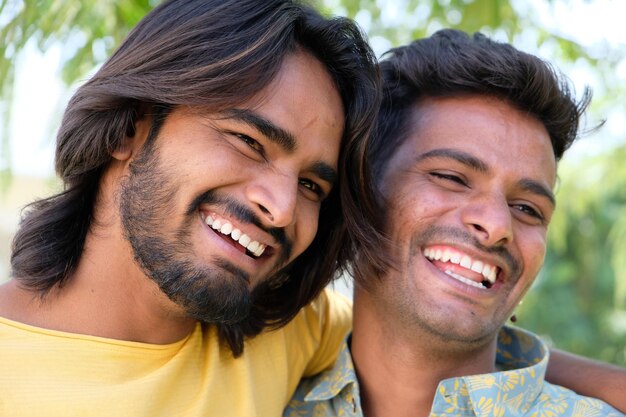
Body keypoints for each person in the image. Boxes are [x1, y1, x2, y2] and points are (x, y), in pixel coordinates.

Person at [0, 0, 381, 416]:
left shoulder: (294, 330)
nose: (283, 209)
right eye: (249, 141)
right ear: (129, 126)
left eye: (311, 185)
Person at [285, 29, 626, 417]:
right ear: (360, 191)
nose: (497, 224)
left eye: (528, 208)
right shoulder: (266, 396)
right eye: (451, 178)